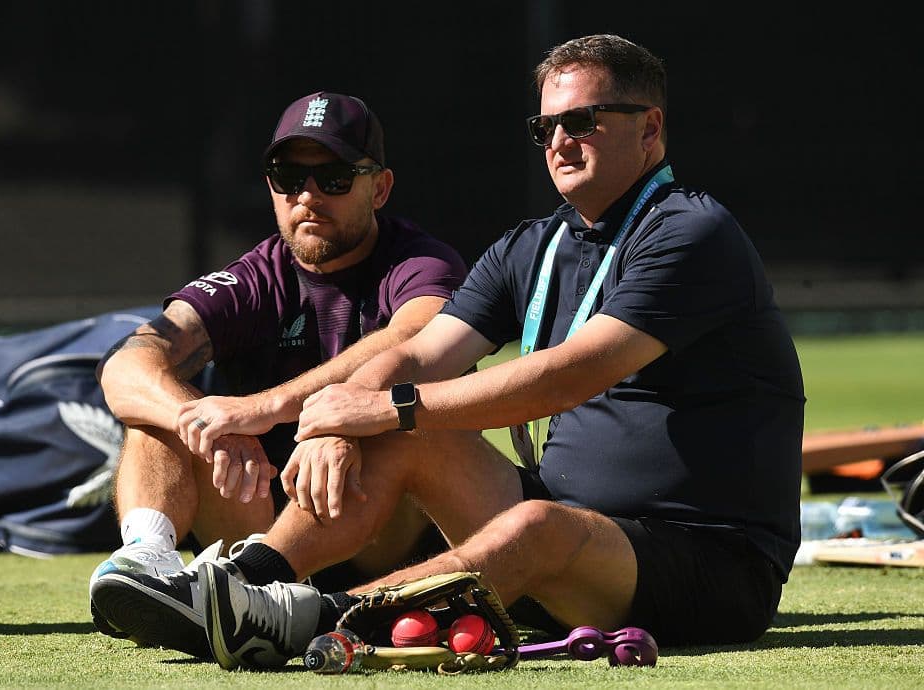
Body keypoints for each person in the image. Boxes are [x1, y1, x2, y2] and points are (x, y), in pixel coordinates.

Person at [92, 34, 805, 670]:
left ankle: (307, 619)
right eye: (546, 126)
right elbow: (422, 352)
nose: (560, 141)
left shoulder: (689, 231)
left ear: (650, 129)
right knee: (420, 446)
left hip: (707, 560)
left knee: (526, 518)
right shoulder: (536, 242)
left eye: (583, 121)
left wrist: (382, 408)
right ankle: (248, 581)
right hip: (566, 528)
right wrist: (342, 416)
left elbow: (571, 374)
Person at [87, 91, 468, 657]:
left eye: (334, 177)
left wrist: (270, 410)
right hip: (260, 528)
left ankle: (261, 596)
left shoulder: (420, 263)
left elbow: (421, 335)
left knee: (391, 436)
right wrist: (205, 422)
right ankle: (148, 564)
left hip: (384, 533)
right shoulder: (257, 274)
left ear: (379, 188)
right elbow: (127, 363)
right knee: (160, 410)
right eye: (287, 177)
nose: (308, 196)